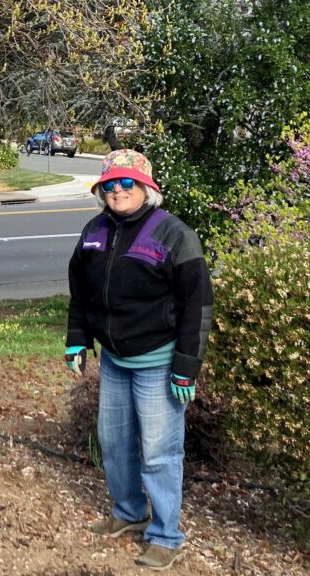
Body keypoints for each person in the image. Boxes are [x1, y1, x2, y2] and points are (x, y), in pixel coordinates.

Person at [64, 149, 213, 570]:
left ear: (146, 187)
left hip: (159, 362)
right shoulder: (93, 232)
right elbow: (80, 294)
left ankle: (166, 534)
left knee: (160, 453)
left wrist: (187, 365)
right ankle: (129, 513)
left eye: (127, 183)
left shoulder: (173, 234)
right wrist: (77, 340)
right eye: (109, 184)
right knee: (113, 444)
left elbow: (197, 305)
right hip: (114, 360)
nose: (118, 191)